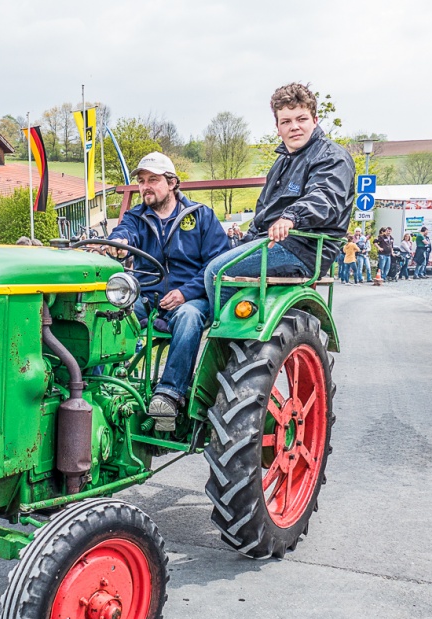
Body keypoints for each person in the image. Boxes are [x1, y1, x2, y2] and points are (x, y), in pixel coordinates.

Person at [105, 151, 229, 428]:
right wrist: (117, 241)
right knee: (108, 309)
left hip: (191, 298)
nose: (145, 186)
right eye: (141, 181)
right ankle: (99, 380)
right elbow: (125, 233)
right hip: (148, 297)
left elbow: (217, 263)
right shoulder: (136, 216)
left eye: (153, 179)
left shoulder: (201, 216)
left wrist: (187, 292)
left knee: (188, 316)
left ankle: (169, 394)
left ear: (172, 182)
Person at [205, 82, 355, 307]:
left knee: (217, 271)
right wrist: (245, 239)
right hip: (276, 242)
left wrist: (292, 216)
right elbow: (266, 210)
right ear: (278, 128)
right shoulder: (283, 160)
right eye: (286, 121)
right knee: (203, 263)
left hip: (304, 249)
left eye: (301, 119)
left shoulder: (332, 157)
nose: (294, 127)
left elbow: (326, 196)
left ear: (314, 121)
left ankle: (221, 337)